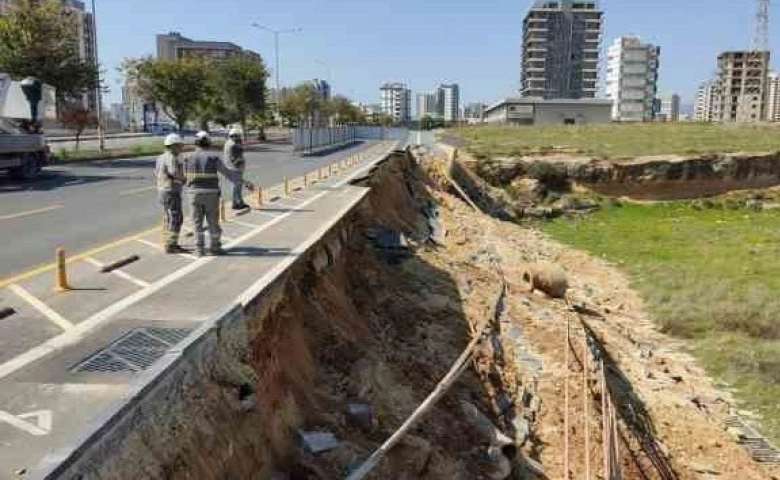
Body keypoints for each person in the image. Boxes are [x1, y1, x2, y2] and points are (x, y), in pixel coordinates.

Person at [183, 131, 254, 256]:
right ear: (208, 143)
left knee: (196, 222)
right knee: (212, 222)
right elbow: (229, 174)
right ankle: (215, 247)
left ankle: (199, 249)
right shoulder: (213, 158)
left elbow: (183, 177)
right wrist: (245, 182)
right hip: (211, 194)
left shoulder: (187, 158)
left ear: (195, 143)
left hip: (193, 194)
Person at [154, 133, 187, 254]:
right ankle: (171, 245)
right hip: (170, 191)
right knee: (176, 218)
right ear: (173, 146)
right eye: (179, 146)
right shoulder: (171, 157)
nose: (181, 148)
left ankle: (170, 242)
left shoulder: (161, 157)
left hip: (163, 191)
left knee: (170, 217)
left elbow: (156, 173)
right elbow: (174, 172)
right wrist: (183, 179)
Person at [224, 127, 249, 210]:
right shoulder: (234, 145)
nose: (240, 138)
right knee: (236, 186)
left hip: (229, 167)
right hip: (235, 168)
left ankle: (240, 202)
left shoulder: (228, 143)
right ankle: (235, 203)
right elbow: (236, 158)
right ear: (235, 136)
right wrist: (240, 167)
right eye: (239, 136)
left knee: (237, 186)